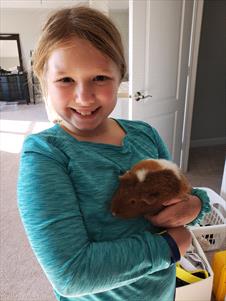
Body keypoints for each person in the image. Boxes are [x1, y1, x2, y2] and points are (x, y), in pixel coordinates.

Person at [17, 6, 211, 301]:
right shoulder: (45, 156)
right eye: (66, 80)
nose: (84, 97)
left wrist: (197, 204)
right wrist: (169, 247)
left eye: (100, 78)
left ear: (120, 76)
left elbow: (178, 194)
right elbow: (71, 274)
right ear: (43, 80)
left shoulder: (145, 134)